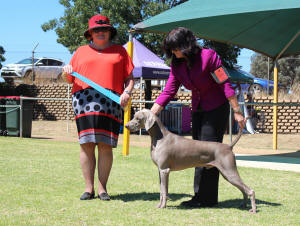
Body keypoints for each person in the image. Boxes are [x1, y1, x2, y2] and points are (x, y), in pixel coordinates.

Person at [150, 27, 245, 207]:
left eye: (175, 48)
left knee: (208, 152)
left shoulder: (209, 57)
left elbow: (225, 83)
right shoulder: (177, 64)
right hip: (198, 109)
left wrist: (237, 111)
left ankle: (207, 198)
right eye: (170, 49)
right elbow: (169, 90)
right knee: (196, 151)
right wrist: (151, 112)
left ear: (186, 45)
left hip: (216, 108)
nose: (172, 52)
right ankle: (199, 196)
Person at [62, 15, 134, 201]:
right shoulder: (80, 51)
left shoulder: (120, 51)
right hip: (83, 100)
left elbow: (130, 78)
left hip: (110, 102)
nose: (100, 32)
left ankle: (102, 189)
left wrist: (127, 92)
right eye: (96, 30)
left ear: (110, 31)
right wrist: (65, 72)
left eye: (104, 29)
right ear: (90, 34)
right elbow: (68, 79)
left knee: (105, 145)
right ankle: (89, 189)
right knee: (86, 145)